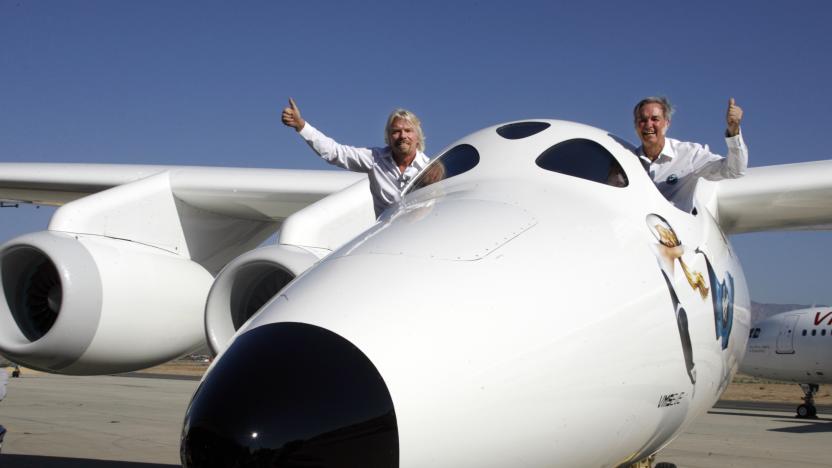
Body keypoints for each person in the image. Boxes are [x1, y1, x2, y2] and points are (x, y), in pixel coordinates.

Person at [281, 98, 430, 217]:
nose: (402, 136)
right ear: (388, 137)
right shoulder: (375, 159)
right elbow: (335, 152)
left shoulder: (431, 168)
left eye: (408, 131)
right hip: (385, 240)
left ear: (417, 136)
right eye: (396, 131)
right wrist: (301, 126)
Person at [633, 96, 748, 212]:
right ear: (636, 125)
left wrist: (734, 132)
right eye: (642, 120)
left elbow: (735, 170)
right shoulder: (629, 159)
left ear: (667, 123)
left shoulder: (689, 154)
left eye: (655, 119)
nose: (648, 125)